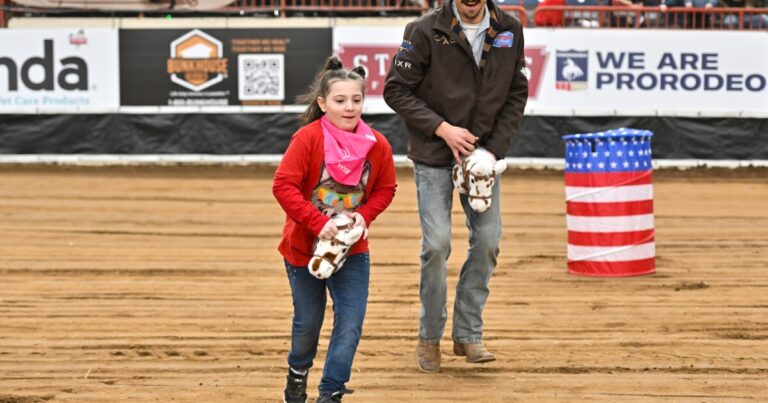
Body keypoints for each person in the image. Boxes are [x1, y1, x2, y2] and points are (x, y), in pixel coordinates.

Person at [383, 0, 528, 373]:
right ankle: (429, 338)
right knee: (436, 246)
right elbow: (396, 90)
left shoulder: (510, 28)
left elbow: (516, 92)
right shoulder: (423, 29)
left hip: (482, 157)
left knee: (488, 241)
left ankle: (468, 333)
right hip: (433, 152)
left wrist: (492, 152)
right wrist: (441, 128)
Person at [273, 56, 397, 402]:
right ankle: (297, 375)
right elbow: (283, 186)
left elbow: (386, 188)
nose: (349, 107)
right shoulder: (307, 139)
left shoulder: (378, 144)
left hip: (353, 251)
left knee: (350, 324)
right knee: (307, 324)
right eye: (340, 100)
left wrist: (365, 215)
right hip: (302, 248)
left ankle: (331, 392)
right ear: (323, 103)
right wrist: (319, 223)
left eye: (356, 100)